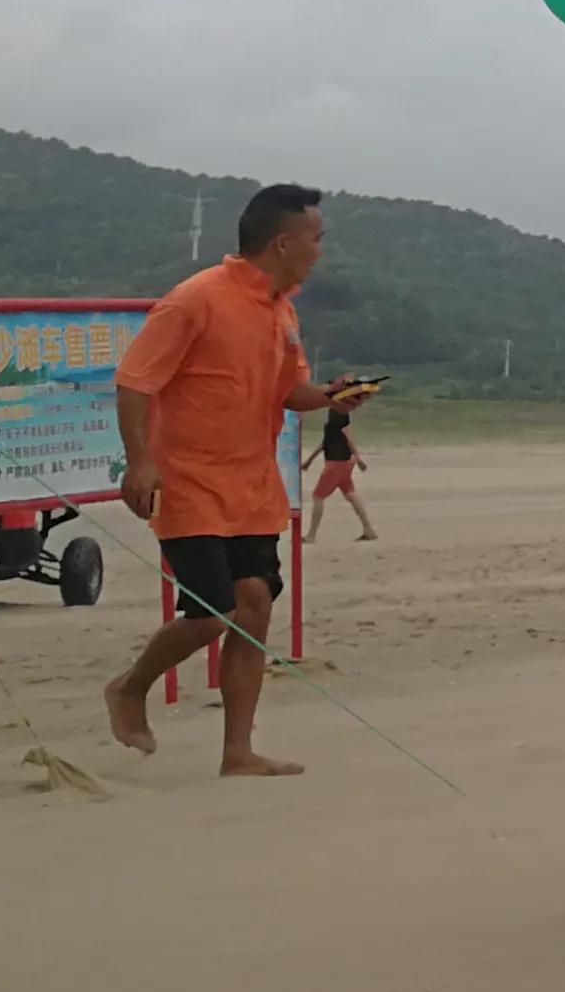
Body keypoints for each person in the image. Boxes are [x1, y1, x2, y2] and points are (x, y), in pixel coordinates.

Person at [101, 186, 372, 777]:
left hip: (252, 485)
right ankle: (130, 686)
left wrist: (335, 395)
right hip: (190, 482)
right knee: (211, 611)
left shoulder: (282, 309)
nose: (321, 251)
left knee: (254, 607)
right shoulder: (195, 300)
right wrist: (139, 460)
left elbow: (289, 394)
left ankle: (237, 753)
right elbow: (135, 380)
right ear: (283, 241)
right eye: (316, 238)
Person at [306, 400, 376, 543]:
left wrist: (358, 458)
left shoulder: (341, 413)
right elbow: (325, 442)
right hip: (344, 463)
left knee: (318, 497)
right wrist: (309, 460)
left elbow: (348, 437)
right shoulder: (334, 414)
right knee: (351, 494)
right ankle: (369, 530)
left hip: (336, 464)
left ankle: (311, 535)